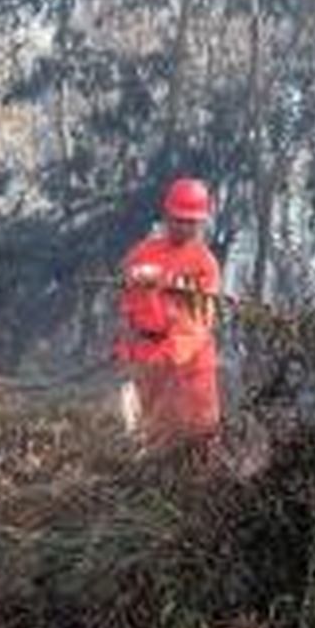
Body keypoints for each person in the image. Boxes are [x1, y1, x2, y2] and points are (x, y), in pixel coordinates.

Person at [114, 177, 222, 460]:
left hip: (190, 368)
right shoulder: (143, 253)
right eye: (179, 219)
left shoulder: (204, 265)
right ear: (166, 215)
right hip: (147, 358)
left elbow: (196, 326)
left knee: (196, 438)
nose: (184, 227)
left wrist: (161, 359)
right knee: (150, 436)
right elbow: (127, 308)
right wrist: (127, 353)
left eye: (191, 221)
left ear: (201, 223)